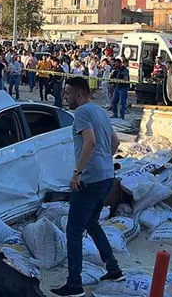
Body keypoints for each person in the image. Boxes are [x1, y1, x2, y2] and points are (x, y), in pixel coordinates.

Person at [53, 77, 123, 297]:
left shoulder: (82, 112)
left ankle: (75, 284)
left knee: (73, 231)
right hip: (106, 177)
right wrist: (103, 162)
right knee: (92, 222)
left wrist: (78, 172)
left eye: (67, 93)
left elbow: (90, 141)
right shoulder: (100, 111)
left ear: (79, 95)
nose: (65, 97)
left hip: (90, 180)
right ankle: (113, 269)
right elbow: (115, 142)